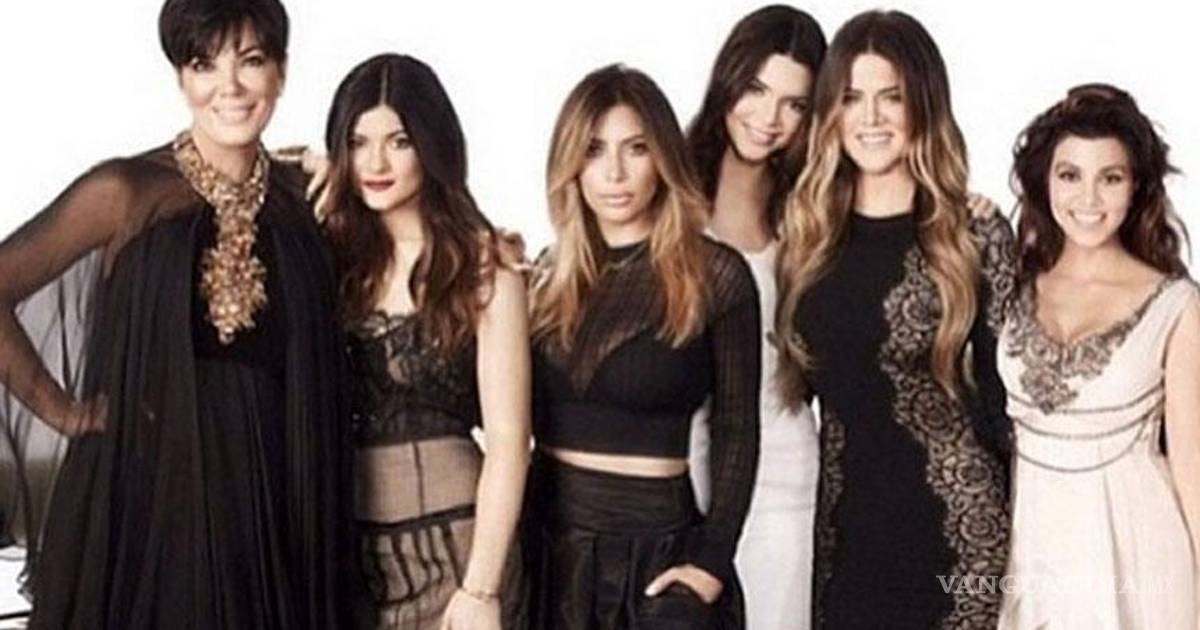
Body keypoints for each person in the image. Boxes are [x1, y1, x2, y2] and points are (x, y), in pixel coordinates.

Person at [0, 1, 353, 627]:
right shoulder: (127, 191)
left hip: (277, 507)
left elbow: (409, 252)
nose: (230, 87)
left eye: (251, 61)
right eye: (204, 65)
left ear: (282, 71)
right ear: (181, 78)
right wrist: (64, 412)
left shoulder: (307, 199)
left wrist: (486, 248)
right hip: (149, 502)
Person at [775, 10, 1015, 628]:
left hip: (960, 541)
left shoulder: (973, 233)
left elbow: (1009, 404)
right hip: (846, 542)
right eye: (852, 98)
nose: (871, 118)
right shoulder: (807, 233)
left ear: (924, 104)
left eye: (892, 97)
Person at [523, 64, 761, 629]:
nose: (614, 173)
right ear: (570, 162)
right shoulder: (544, 277)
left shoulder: (714, 275)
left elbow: (737, 428)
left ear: (663, 157)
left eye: (636, 148)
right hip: (544, 550)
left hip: (657, 554)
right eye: (594, 150)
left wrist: (711, 561)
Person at [319, 53, 529, 630]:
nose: (375, 163)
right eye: (358, 143)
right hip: (354, 566)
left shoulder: (485, 265)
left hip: (459, 551)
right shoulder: (330, 260)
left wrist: (481, 589)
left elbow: (510, 441)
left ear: (432, 146)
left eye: (399, 142)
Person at [997, 83, 1200, 630]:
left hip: (1140, 560)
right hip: (1033, 559)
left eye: (1110, 178)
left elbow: (1193, 468)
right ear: (1044, 181)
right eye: (1070, 175)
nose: (1088, 198)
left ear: (1136, 187)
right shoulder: (1012, 285)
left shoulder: (1176, 305)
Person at [683, 7, 825, 629]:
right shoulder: (667, 193)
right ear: (728, 79)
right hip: (680, 475)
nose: (769, 119)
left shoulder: (813, 210)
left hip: (785, 482)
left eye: (794, 104)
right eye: (757, 90)